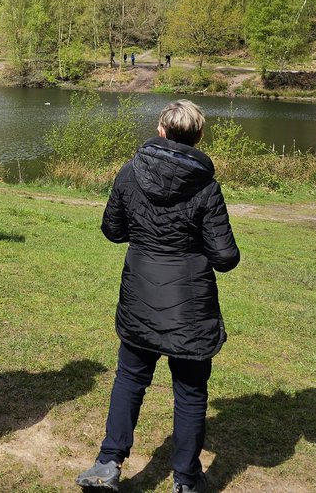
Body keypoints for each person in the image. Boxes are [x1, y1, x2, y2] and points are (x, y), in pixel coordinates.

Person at [77, 100, 240, 493]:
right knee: (189, 392)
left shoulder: (129, 173)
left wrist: (149, 236)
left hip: (142, 295)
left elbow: (113, 230)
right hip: (190, 304)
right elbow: (225, 257)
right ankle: (185, 479)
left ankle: (108, 463)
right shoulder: (206, 186)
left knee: (130, 379)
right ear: (198, 136)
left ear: (161, 131)